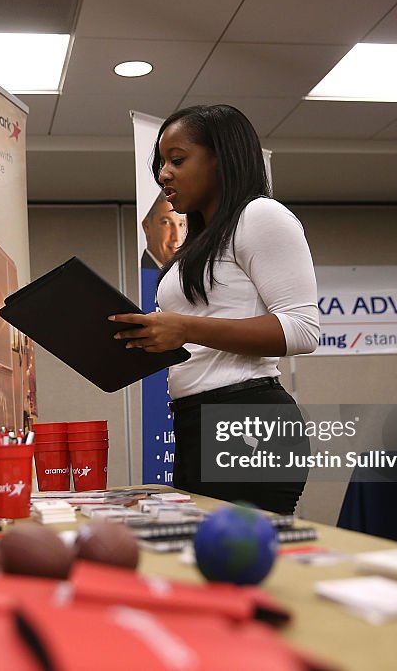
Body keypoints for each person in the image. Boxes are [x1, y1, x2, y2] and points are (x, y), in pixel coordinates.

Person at [111, 105, 319, 514]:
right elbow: (197, 334)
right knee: (203, 562)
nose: (162, 175)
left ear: (221, 157)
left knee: (237, 566)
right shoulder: (198, 244)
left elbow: (301, 329)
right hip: (197, 422)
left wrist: (184, 328)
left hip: (246, 421)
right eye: (160, 163)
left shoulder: (261, 216)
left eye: (177, 160)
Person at [140, 192, 187, 270]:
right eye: (166, 222)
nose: (177, 237)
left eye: (181, 224)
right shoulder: (141, 276)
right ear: (147, 226)